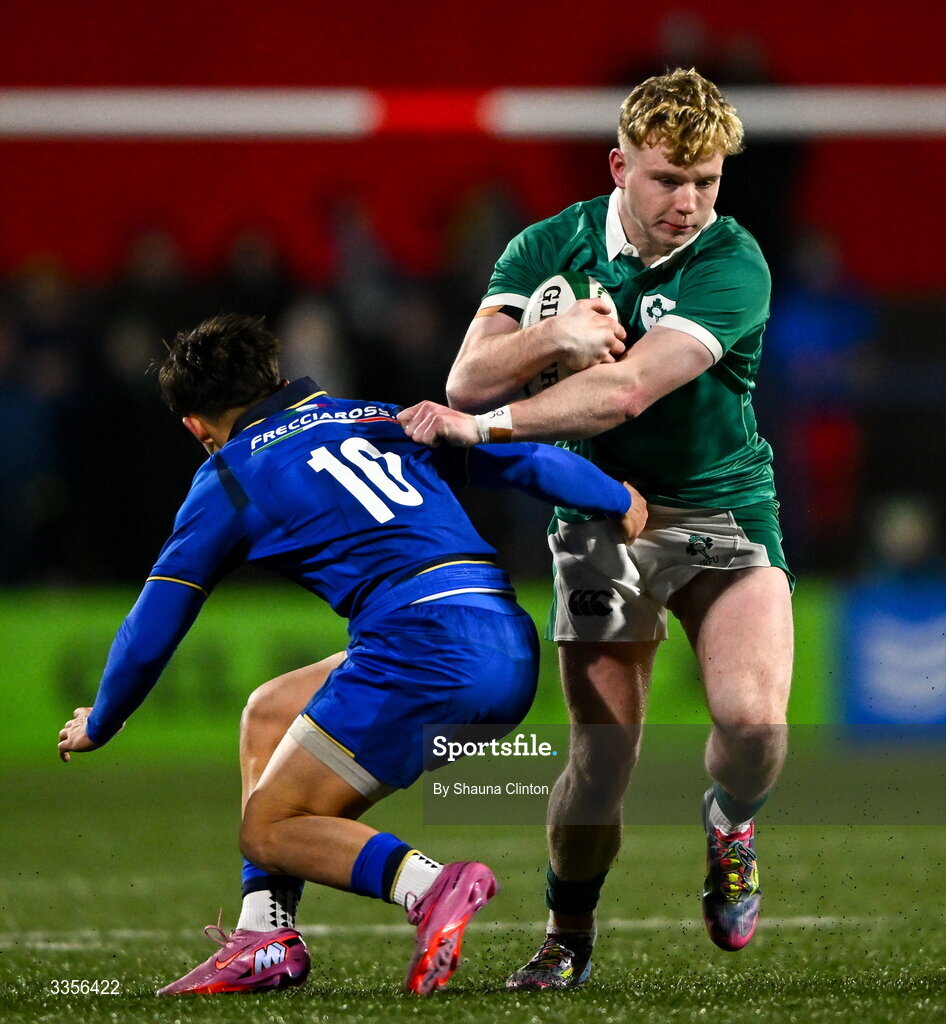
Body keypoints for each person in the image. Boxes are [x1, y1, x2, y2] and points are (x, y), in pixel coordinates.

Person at [57, 313, 647, 996]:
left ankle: (431, 887)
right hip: (503, 640)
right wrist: (613, 497)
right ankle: (264, 939)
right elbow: (515, 454)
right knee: (270, 712)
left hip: (419, 649)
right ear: (278, 377)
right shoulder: (379, 414)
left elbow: (155, 620)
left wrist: (103, 717)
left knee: (268, 828)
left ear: (197, 426)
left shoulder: (228, 476)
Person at [399, 67, 794, 987]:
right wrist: (554, 338)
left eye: (707, 182)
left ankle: (730, 824)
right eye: (669, 179)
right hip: (598, 519)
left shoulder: (734, 260)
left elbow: (622, 391)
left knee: (754, 726)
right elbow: (467, 376)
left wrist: (488, 429)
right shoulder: (547, 246)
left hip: (721, 509)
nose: (690, 202)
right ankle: (567, 935)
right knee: (601, 762)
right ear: (620, 166)